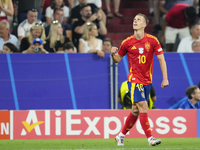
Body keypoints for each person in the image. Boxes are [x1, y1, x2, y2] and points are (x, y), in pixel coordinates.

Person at [111, 13, 169, 146]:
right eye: (134, 19)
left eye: (138, 20)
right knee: (143, 106)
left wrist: (165, 78)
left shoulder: (153, 41)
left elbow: (161, 59)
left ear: (145, 24)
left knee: (135, 111)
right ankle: (150, 139)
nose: (135, 21)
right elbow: (118, 59)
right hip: (134, 79)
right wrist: (112, 54)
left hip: (147, 81)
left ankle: (120, 135)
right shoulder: (127, 42)